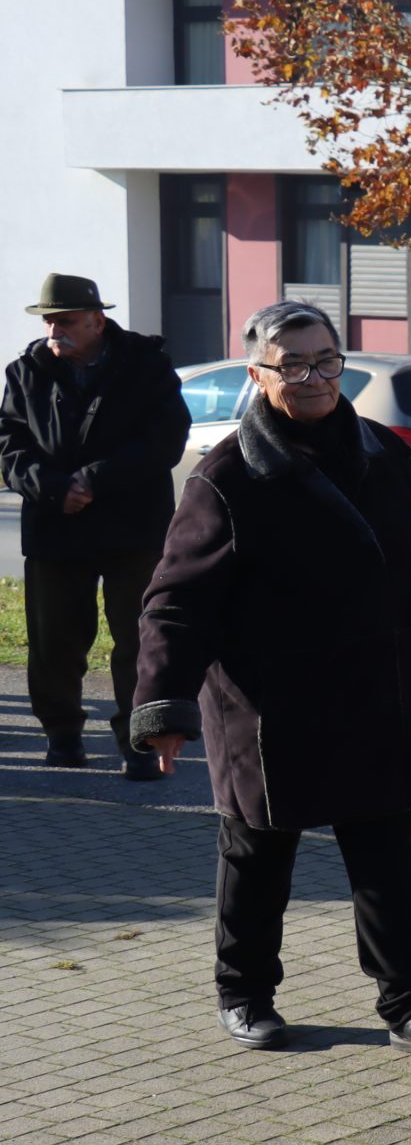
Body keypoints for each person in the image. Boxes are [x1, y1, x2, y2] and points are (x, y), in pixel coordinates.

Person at [128, 301, 411, 1059]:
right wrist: (163, 707)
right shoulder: (227, 474)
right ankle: (244, 993)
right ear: (258, 375)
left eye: (325, 361)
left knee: (386, 858)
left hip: (375, 693)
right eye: (293, 365)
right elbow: (176, 601)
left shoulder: (384, 450)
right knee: (257, 856)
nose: (313, 378)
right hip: (267, 705)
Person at [0, 273, 190, 777]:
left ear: (97, 322)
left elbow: (166, 439)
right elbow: (10, 445)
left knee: (140, 639)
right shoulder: (26, 372)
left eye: (65, 321)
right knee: (54, 641)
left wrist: (94, 480)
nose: (54, 331)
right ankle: (63, 735)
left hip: (134, 529)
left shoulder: (147, 366)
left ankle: (139, 741)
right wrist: (53, 487)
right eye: (49, 321)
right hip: (56, 527)